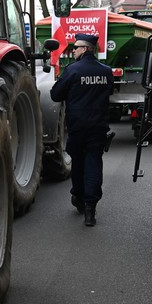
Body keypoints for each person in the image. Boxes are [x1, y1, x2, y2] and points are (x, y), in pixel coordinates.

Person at [50, 33, 114, 226]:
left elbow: (55, 95)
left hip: (77, 127)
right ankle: (90, 210)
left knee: (78, 163)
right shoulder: (106, 71)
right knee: (94, 163)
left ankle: (78, 196)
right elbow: (109, 92)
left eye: (76, 47)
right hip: (98, 127)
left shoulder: (73, 70)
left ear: (85, 49)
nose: (74, 50)